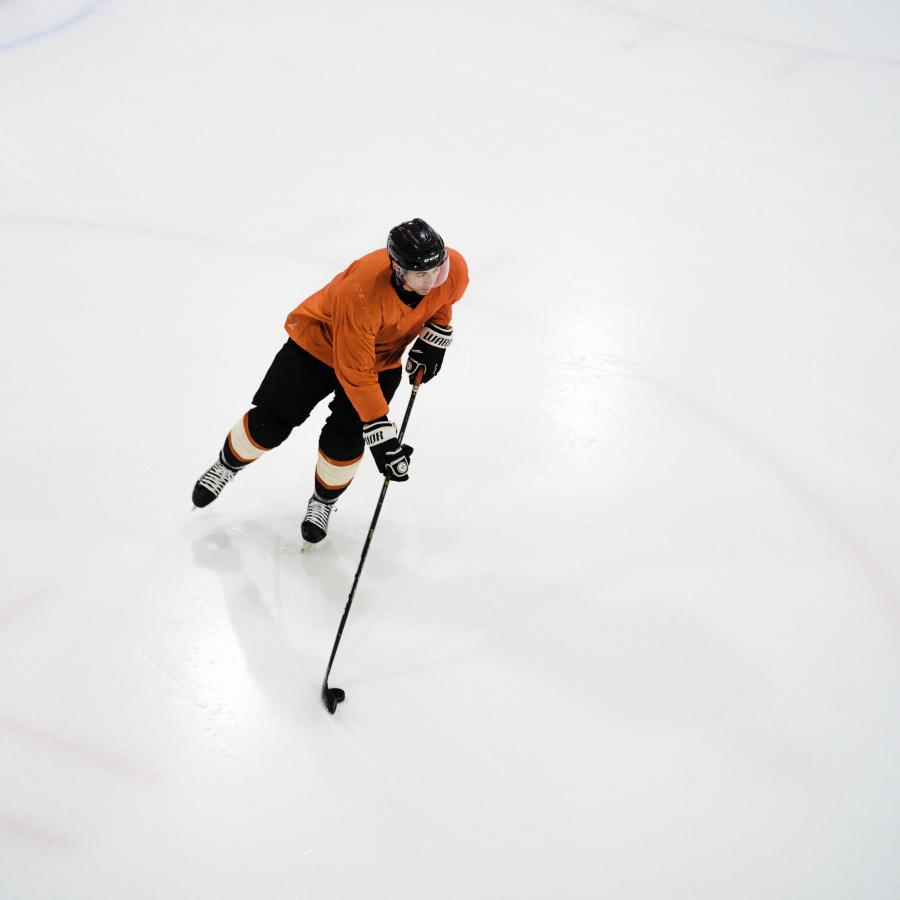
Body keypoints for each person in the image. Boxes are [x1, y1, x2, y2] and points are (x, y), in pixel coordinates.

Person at [191, 218, 469, 547]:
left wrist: (434, 337)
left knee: (346, 439)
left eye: (437, 269)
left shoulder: (453, 270)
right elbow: (355, 370)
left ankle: (322, 502)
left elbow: (442, 301)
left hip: (380, 359)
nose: (432, 280)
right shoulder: (361, 292)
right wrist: (382, 434)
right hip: (317, 346)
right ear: (397, 268)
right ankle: (227, 465)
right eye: (421, 274)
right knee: (271, 423)